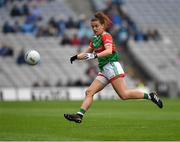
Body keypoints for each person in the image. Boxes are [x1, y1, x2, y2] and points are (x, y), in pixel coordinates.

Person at [64, 12, 163, 123]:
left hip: (112, 66)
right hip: (104, 70)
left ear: (102, 26)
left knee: (123, 95)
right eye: (92, 27)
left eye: (97, 26)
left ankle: (150, 96)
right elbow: (87, 53)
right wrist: (76, 57)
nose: (94, 29)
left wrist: (95, 55)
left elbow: (109, 50)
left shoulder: (106, 35)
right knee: (89, 92)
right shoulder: (94, 39)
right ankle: (79, 115)